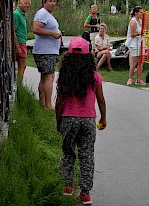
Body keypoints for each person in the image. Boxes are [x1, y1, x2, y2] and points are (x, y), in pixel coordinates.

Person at [56, 37, 107, 205]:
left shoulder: (64, 75)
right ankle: (85, 194)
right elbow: (101, 100)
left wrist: (58, 122)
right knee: (87, 155)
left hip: (68, 119)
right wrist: (103, 118)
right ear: (88, 56)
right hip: (88, 120)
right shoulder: (94, 76)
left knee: (68, 153)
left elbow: (59, 102)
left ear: (68, 55)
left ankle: (67, 188)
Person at [32, 0, 61, 110]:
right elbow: (36, 29)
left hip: (49, 51)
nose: (53, 4)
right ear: (44, 2)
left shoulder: (47, 14)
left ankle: (42, 103)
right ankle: (49, 105)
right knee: (49, 76)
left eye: (54, 1)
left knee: (45, 77)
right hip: (45, 51)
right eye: (50, 1)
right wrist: (53, 34)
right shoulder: (42, 13)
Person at [125, 6, 145, 85]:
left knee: (141, 62)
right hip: (133, 44)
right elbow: (133, 34)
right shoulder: (133, 22)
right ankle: (130, 78)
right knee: (134, 62)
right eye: (140, 12)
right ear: (136, 13)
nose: (142, 14)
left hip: (140, 43)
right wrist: (140, 33)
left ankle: (139, 79)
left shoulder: (140, 21)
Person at [13, 0, 31, 81]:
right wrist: (18, 47)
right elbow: (13, 31)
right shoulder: (16, 14)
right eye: (25, 3)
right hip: (19, 43)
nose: (27, 5)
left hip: (22, 42)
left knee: (22, 65)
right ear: (19, 3)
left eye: (28, 3)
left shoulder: (22, 14)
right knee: (22, 66)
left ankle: (18, 84)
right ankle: (19, 86)